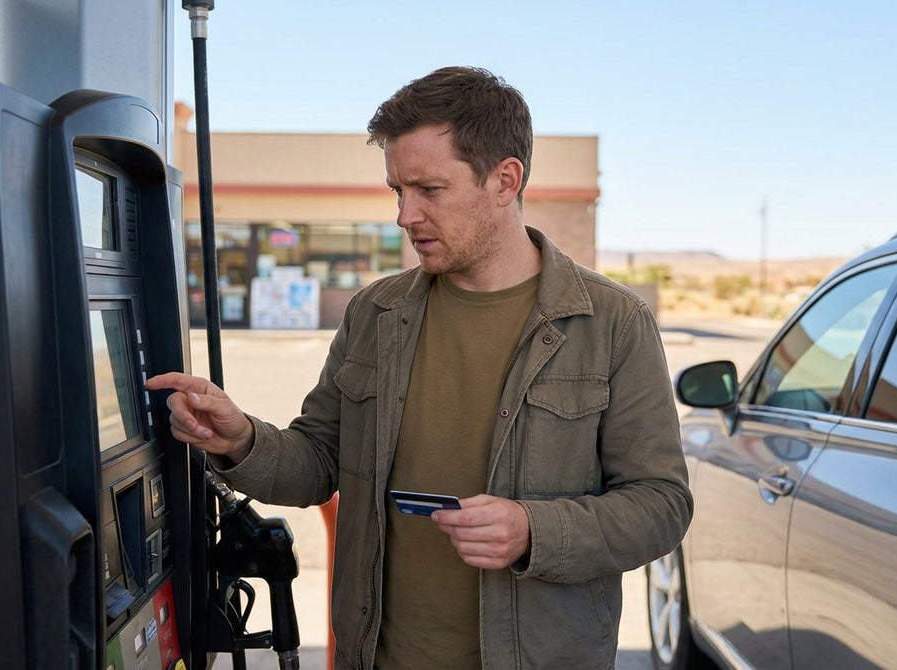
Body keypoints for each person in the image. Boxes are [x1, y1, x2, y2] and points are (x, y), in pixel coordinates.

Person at [147, 65, 693, 670]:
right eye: (397, 191)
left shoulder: (612, 322)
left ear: (505, 180)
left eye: (429, 190)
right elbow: (320, 462)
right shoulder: (376, 313)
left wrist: (534, 531)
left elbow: (661, 505)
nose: (405, 216)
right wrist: (242, 440)